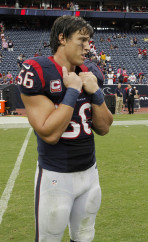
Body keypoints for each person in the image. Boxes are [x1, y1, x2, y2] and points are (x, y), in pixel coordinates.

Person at [17, 15, 113, 242]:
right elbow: (49, 133)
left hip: (90, 173)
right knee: (49, 238)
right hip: (55, 176)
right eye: (82, 40)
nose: (88, 47)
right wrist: (72, 91)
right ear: (62, 38)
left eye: (89, 41)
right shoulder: (38, 70)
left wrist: (95, 92)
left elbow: (104, 127)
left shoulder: (89, 71)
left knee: (85, 237)